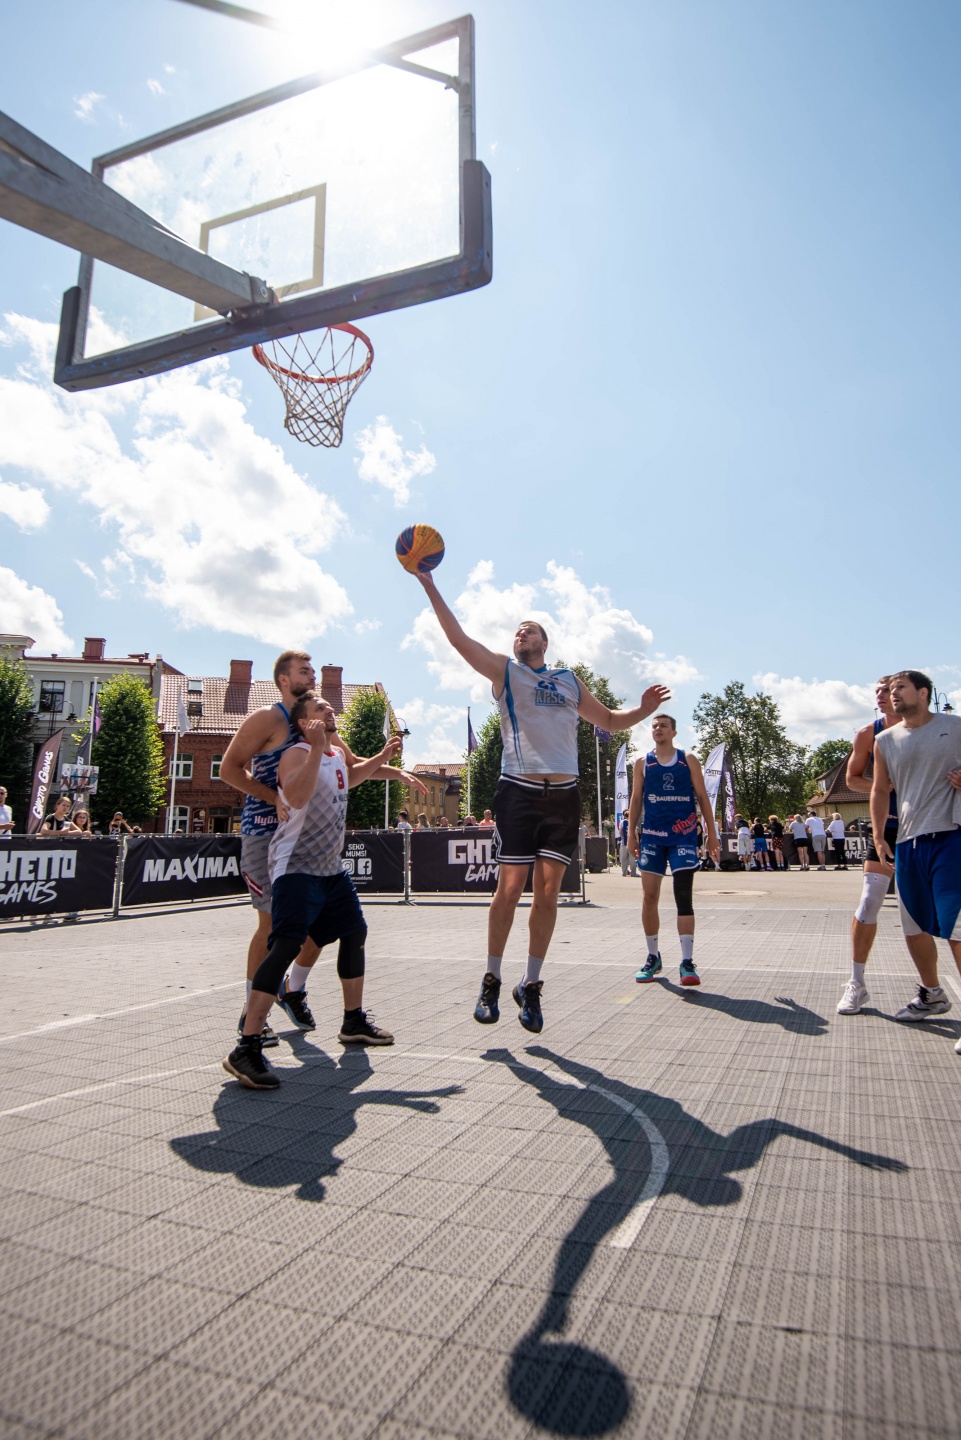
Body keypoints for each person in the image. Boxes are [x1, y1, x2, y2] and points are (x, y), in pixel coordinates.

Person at [407, 566, 669, 1034]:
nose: (520, 634)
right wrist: (430, 584)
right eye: (517, 631)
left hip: (563, 796)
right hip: (519, 791)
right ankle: (491, 978)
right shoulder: (506, 673)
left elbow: (609, 720)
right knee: (509, 889)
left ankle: (530, 984)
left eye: (528, 630)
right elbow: (459, 640)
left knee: (548, 892)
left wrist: (643, 710)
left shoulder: (568, 679)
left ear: (544, 642)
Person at [221, 650, 425, 1044]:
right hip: (266, 832)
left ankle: (294, 989)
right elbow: (230, 769)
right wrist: (273, 797)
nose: (312, 676)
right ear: (284, 680)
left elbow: (348, 765)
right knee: (272, 926)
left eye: (313, 670)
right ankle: (252, 1015)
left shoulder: (320, 724)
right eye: (304, 671)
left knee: (326, 925)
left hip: (310, 839)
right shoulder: (267, 718)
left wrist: (395, 771)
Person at [871, 670, 961, 1028]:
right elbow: (879, 790)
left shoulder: (955, 727)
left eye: (901, 688)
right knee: (914, 925)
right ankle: (932, 993)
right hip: (908, 842)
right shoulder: (885, 740)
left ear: (923, 692)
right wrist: (879, 836)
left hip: (952, 836)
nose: (893, 694)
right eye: (890, 689)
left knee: (957, 928)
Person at [630, 714, 720, 985]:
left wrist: (712, 834)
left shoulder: (688, 759)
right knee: (649, 897)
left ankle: (687, 962)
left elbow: (702, 796)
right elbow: (636, 799)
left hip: (683, 836)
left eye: (664, 726)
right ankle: (652, 956)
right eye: (655, 726)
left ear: (674, 732)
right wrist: (630, 834)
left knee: (683, 896)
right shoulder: (642, 762)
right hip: (653, 837)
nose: (658, 729)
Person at [838, 676, 900, 1015]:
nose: (880, 696)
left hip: (929, 825)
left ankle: (930, 987)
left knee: (924, 911)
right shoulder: (868, 733)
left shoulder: (934, 729)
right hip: (886, 827)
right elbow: (852, 779)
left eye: (887, 690)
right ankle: (856, 983)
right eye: (877, 691)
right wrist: (883, 785)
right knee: (869, 901)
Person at [619, 812, 637, 877]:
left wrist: (622, 837)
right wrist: (637, 841)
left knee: (623, 858)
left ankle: (624, 872)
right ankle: (633, 873)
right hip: (631, 842)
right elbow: (635, 832)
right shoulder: (633, 822)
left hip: (623, 843)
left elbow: (620, 831)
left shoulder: (622, 822)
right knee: (632, 859)